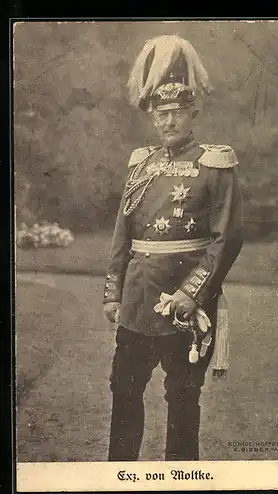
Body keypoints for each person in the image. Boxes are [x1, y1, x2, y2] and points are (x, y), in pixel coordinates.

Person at [103, 35, 243, 461]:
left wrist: (191, 292)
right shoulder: (141, 163)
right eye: (160, 114)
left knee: (182, 400)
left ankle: (181, 484)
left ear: (191, 113)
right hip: (137, 302)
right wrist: (113, 290)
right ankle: (116, 480)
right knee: (123, 392)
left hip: (185, 304)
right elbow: (122, 233)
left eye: (176, 113)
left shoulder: (213, 164)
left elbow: (227, 237)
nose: (168, 122)